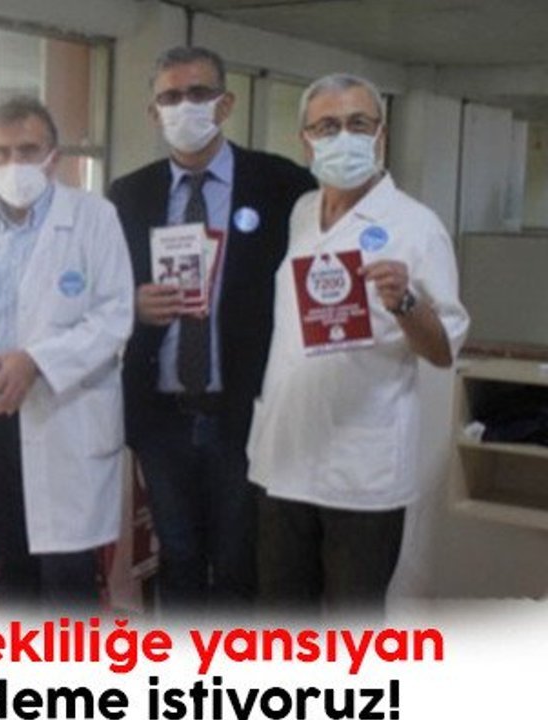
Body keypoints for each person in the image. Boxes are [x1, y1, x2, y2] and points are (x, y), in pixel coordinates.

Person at [247, 73, 469, 615]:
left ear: (380, 135)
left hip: (362, 469)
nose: (342, 136)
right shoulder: (302, 213)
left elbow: (443, 351)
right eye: (327, 126)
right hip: (285, 458)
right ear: (306, 142)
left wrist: (405, 302)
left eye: (357, 124)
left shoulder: (416, 226)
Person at [106, 46, 316, 613]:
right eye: (171, 97)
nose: (185, 106)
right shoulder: (128, 195)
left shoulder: (282, 184)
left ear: (226, 104)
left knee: (237, 560)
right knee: (176, 556)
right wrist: (131, 304)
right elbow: (101, 293)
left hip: (244, 410)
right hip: (161, 414)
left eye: (199, 94)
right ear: (153, 112)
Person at [0, 97, 134, 616]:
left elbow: (115, 315)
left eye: (27, 150)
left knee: (68, 580)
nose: (14, 164)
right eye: (1, 153)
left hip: (63, 417)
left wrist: (37, 361)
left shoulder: (94, 218)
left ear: (53, 157)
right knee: (12, 571)